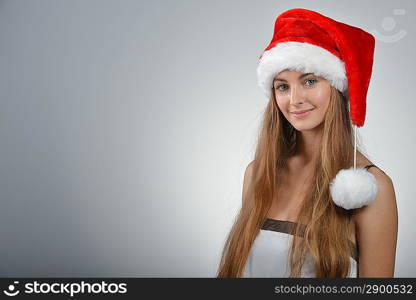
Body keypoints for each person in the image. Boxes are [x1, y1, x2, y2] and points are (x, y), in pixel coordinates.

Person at [216, 8, 398, 278]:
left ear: (338, 88)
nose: (294, 99)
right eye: (282, 86)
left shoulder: (370, 188)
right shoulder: (257, 173)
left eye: (310, 81)